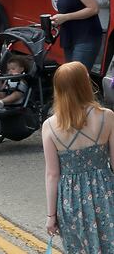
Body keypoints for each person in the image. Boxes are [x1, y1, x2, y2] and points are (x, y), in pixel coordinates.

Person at [42, 61, 114, 253]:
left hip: (71, 200)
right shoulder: (107, 116)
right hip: (105, 193)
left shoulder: (50, 126)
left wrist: (51, 216)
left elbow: (52, 175)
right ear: (86, 83)